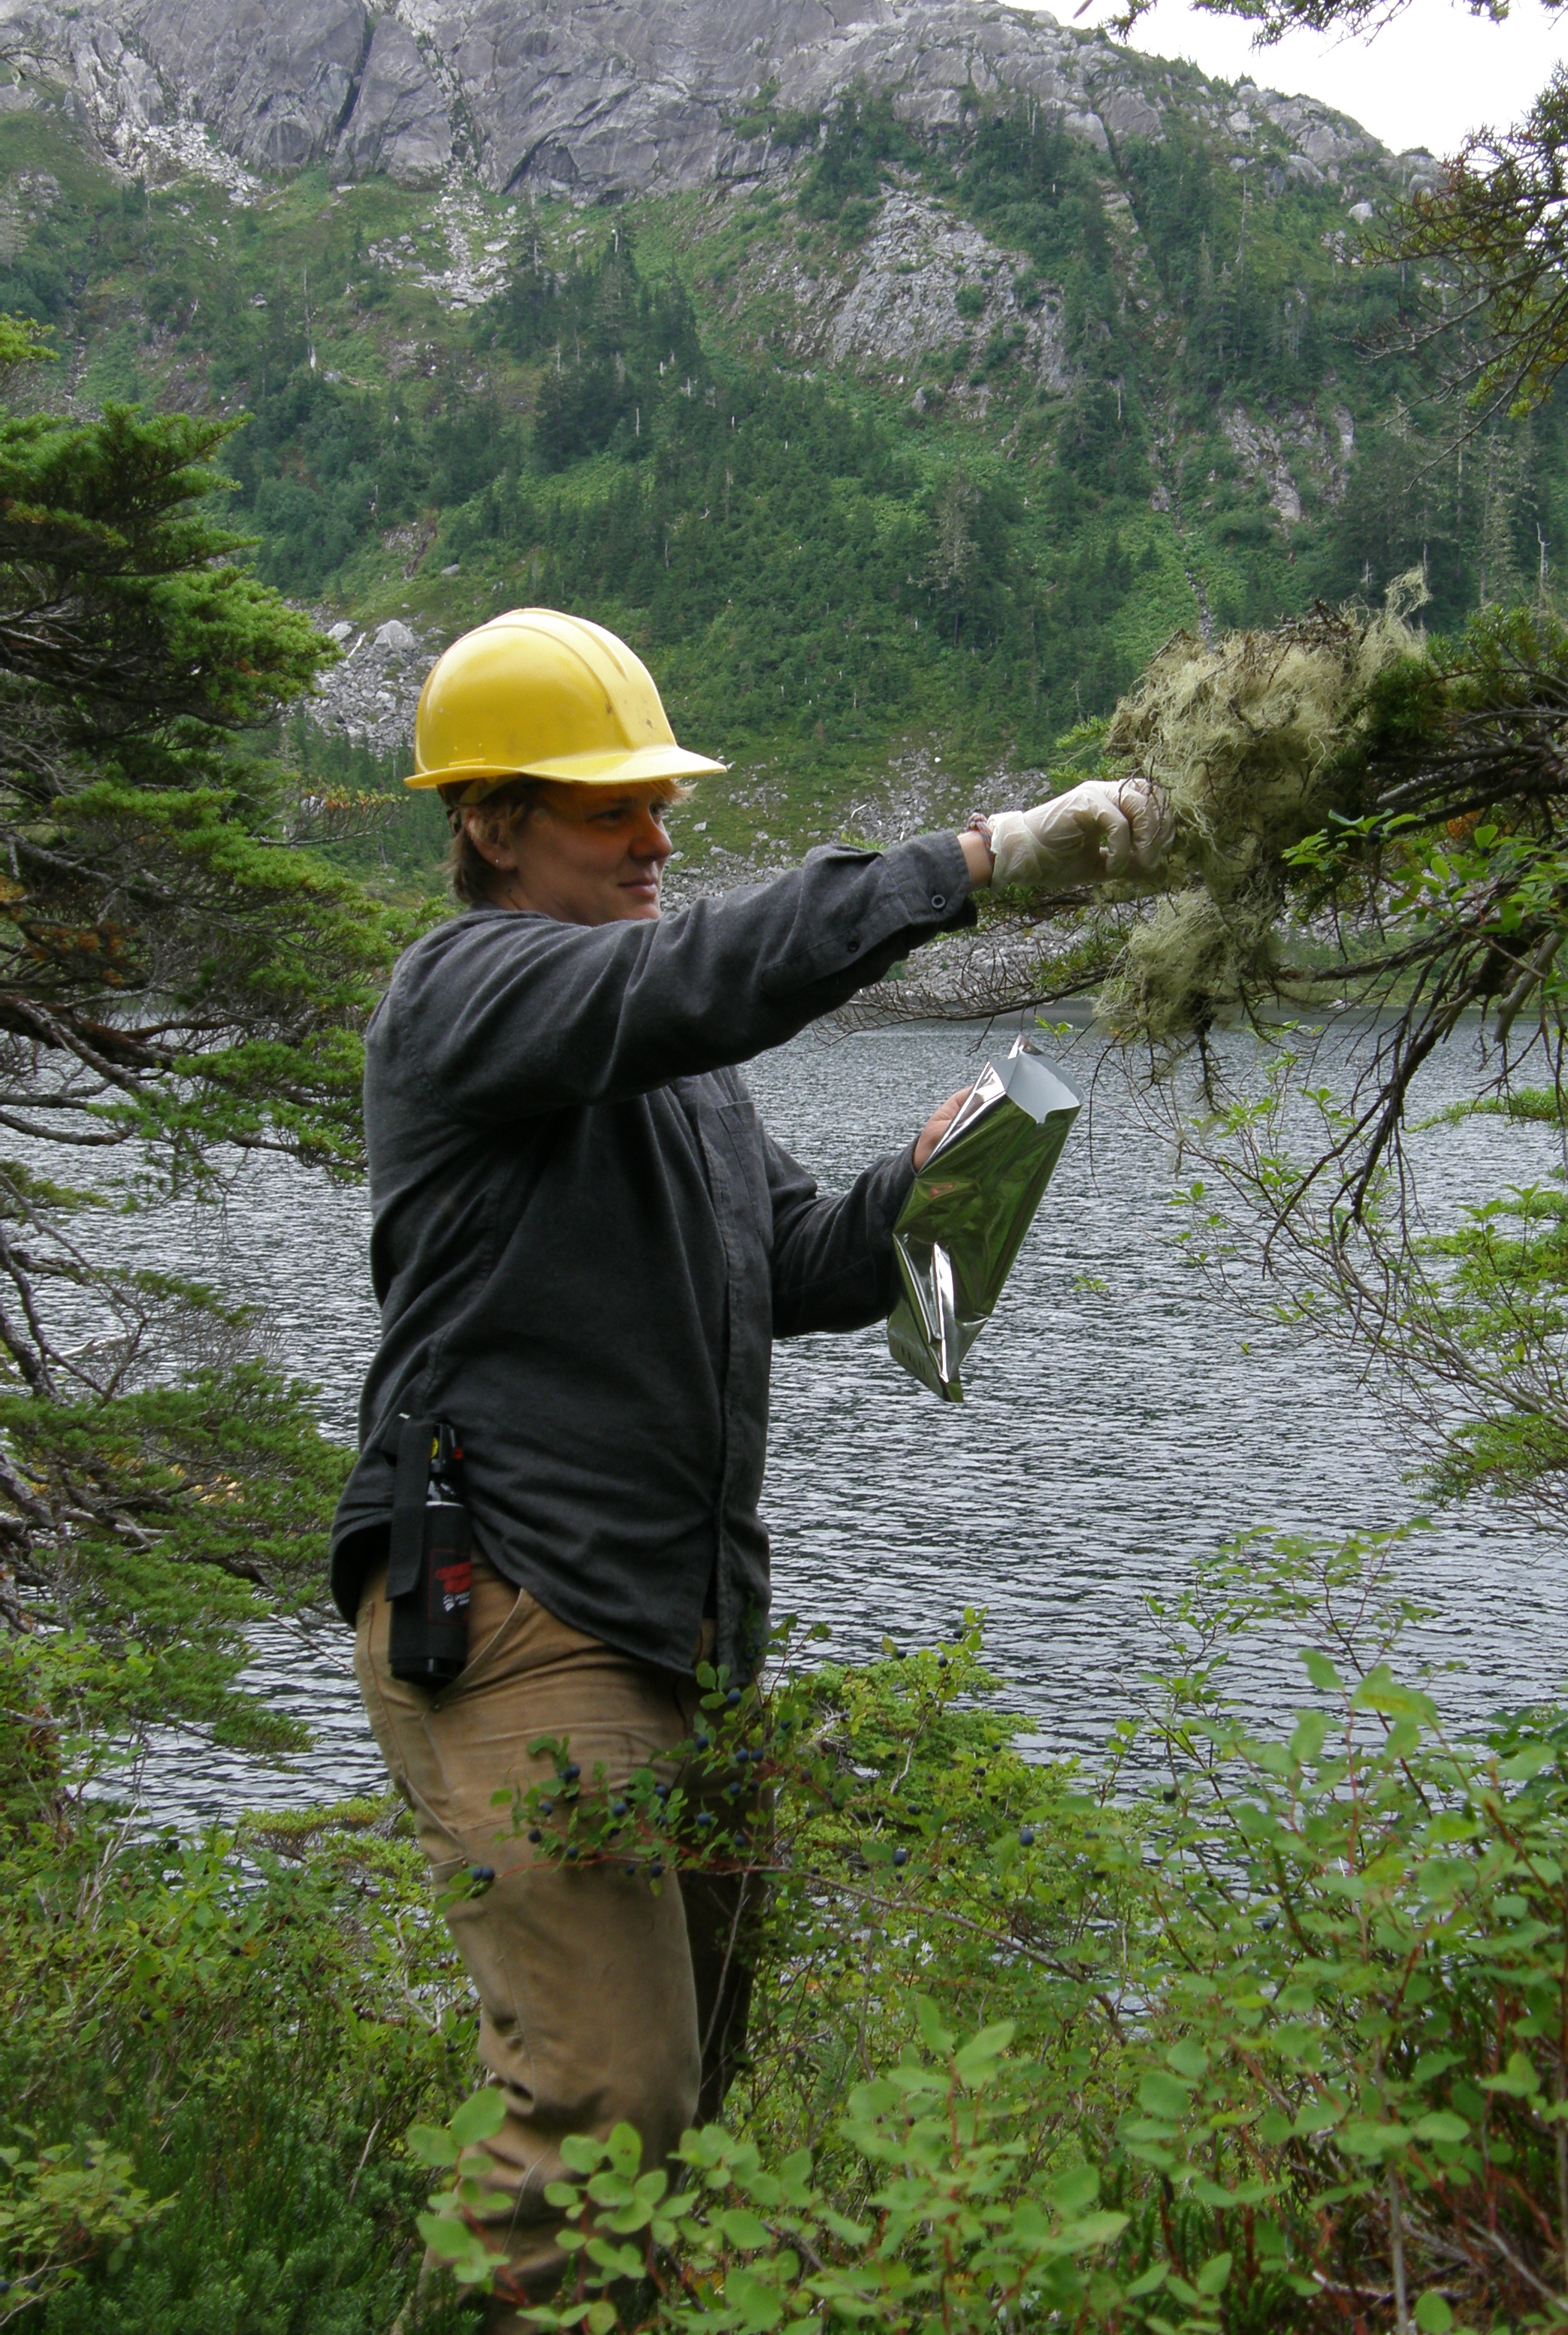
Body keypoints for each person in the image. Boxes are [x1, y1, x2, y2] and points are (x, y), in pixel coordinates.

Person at [331, 607, 1166, 2327]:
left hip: (675, 1630)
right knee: (603, 2111)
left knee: (679, 2109)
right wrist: (982, 861)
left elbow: (789, 1261)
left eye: (660, 807)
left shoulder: (671, 1074)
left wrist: (937, 1181)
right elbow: (704, 973)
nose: (653, 839)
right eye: (608, 809)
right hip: (516, 1609)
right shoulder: (466, 992)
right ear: (490, 823)